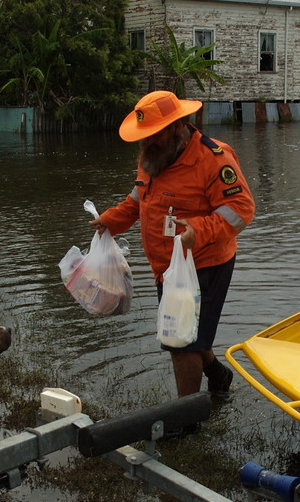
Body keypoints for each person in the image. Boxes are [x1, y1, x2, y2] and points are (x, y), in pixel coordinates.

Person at [92, 90, 255, 400]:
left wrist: (200, 230)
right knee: (187, 334)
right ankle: (219, 377)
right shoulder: (152, 158)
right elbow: (139, 200)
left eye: (154, 134)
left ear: (179, 126)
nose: (147, 141)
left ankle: (186, 417)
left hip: (205, 264)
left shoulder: (213, 158)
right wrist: (110, 221)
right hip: (166, 267)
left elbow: (241, 210)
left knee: (181, 343)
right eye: (144, 135)